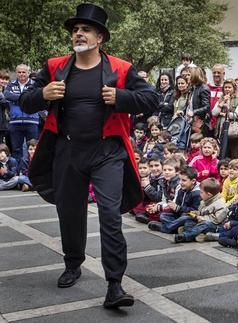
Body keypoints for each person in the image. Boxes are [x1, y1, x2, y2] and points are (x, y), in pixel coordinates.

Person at [19, 3, 159, 308]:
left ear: (100, 38)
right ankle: (73, 263)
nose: (78, 34)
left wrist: (122, 97)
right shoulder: (56, 66)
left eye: (85, 29)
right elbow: (25, 101)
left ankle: (114, 285)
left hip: (107, 153)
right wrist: (42, 94)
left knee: (110, 217)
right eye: (75, 30)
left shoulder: (120, 69)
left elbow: (152, 99)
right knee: (69, 213)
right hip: (67, 151)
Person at [175, 177, 228, 243]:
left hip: (215, 226)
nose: (199, 194)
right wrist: (197, 213)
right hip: (202, 221)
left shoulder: (221, 204)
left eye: (201, 192)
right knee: (189, 221)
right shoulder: (204, 201)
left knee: (205, 224)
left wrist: (200, 218)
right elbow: (202, 212)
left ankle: (185, 236)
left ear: (209, 194)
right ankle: (195, 234)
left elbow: (216, 220)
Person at [4, 64, 39, 163]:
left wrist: (16, 98)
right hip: (15, 122)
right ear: (16, 73)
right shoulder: (11, 84)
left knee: (33, 148)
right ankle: (17, 171)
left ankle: (31, 171)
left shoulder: (34, 84)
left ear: (28, 73)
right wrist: (25, 98)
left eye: (24, 72)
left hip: (32, 121)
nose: (21, 74)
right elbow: (7, 95)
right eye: (19, 72)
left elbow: (36, 97)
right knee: (16, 149)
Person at [212, 78, 238, 159]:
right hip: (221, 130)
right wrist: (221, 103)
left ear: (234, 88)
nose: (227, 89)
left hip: (234, 133)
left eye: (229, 87)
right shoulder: (221, 98)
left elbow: (237, 115)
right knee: (222, 154)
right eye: (225, 87)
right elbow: (214, 113)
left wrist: (226, 112)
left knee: (235, 154)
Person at [185, 67, 211, 138]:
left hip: (200, 123)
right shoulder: (193, 88)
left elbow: (207, 107)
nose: (186, 77)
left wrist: (194, 112)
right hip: (192, 121)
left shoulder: (203, 88)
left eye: (188, 75)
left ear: (194, 75)